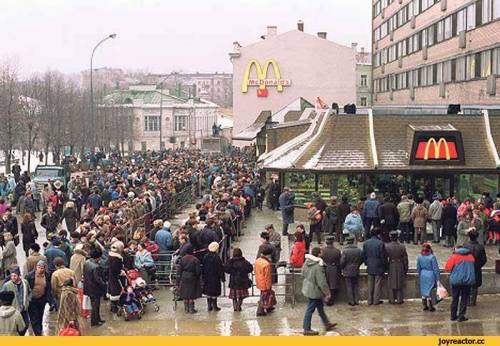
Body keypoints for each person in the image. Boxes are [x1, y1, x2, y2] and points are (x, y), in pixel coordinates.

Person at [301, 247, 337, 336]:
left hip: (308, 287)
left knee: (320, 307)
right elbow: (322, 282)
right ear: (318, 254)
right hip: (315, 290)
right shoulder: (318, 266)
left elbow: (303, 272)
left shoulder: (307, 262)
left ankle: (326, 323)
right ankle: (306, 328)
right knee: (310, 309)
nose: (323, 253)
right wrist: (327, 293)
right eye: (321, 252)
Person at [444, 245, 476, 322]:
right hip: (467, 281)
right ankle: (461, 316)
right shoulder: (471, 257)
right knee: (464, 299)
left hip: (456, 281)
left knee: (455, 298)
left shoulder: (454, 256)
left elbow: (447, 268)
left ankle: (453, 316)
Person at [1, 267, 30, 335]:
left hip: (24, 310)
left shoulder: (25, 283)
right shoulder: (7, 285)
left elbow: (29, 292)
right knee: (13, 327)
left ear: (19, 275)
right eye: (11, 276)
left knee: (25, 325)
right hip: (13, 310)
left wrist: (28, 301)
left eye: (15, 276)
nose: (13, 277)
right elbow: (2, 295)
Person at [26, 261, 52, 336]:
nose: (40, 269)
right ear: (36, 267)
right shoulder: (30, 276)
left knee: (40, 315)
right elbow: (26, 287)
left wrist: (49, 299)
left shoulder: (47, 276)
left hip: (42, 299)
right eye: (39, 267)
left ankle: (39, 330)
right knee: (34, 317)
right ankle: (38, 333)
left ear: (44, 268)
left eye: (42, 268)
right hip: (32, 300)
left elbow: (49, 288)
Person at [362, 227, 387, 305]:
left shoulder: (366, 243)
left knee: (370, 283)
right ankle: (376, 300)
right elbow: (383, 256)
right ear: (378, 234)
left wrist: (366, 263)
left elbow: (364, 255)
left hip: (370, 265)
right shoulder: (380, 243)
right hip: (378, 265)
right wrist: (384, 265)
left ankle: (369, 300)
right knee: (377, 283)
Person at [224, 247, 253, 312]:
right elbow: (250, 268)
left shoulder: (231, 261)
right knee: (241, 296)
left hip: (233, 282)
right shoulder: (244, 261)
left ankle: (235, 307)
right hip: (242, 281)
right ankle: (239, 306)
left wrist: (232, 271)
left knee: (234, 296)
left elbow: (226, 269)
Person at [83, 249, 106, 326]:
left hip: (88, 287)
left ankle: (98, 319)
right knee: (95, 306)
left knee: (94, 305)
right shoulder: (96, 267)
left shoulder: (86, 263)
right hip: (95, 289)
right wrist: (104, 284)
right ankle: (95, 321)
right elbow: (98, 279)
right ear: (97, 257)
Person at [385, 231, 409, 304]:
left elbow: (385, 258)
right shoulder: (402, 246)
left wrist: (386, 267)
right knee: (400, 282)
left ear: (390, 237)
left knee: (391, 283)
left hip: (391, 265)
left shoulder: (387, 246)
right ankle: (399, 299)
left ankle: (391, 299)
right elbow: (405, 259)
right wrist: (406, 268)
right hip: (400, 265)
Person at [464, 230, 487, 306]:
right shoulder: (480, 247)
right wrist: (478, 265)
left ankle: (467, 300)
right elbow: (484, 260)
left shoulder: (465, 246)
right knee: (475, 286)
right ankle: (473, 301)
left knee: (467, 285)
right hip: (476, 268)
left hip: (467, 268)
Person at [177, 246, 202, 314]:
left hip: (184, 277)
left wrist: (178, 279)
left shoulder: (182, 259)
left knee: (185, 293)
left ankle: (186, 309)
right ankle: (191, 309)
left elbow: (179, 270)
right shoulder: (195, 259)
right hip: (192, 277)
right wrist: (197, 277)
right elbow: (198, 271)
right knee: (191, 294)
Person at [340, 235, 364, 306]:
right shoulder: (358, 250)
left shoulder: (345, 251)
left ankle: (351, 301)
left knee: (349, 286)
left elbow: (342, 262)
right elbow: (361, 260)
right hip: (356, 269)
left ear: (347, 242)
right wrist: (357, 265)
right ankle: (356, 300)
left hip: (347, 270)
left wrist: (343, 267)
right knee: (356, 285)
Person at [416, 243, 440, 312]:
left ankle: (424, 305)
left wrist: (420, 274)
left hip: (423, 275)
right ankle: (431, 306)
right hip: (431, 275)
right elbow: (435, 269)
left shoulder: (419, 257)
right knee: (430, 291)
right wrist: (438, 278)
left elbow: (418, 268)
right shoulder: (432, 257)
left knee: (424, 290)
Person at [201, 242, 225, 311]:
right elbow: (220, 268)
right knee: (214, 292)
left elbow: (203, 267)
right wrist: (222, 277)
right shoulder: (217, 258)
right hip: (215, 277)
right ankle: (215, 306)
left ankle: (209, 306)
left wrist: (203, 277)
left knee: (208, 292)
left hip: (207, 277)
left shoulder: (206, 256)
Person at [255, 247, 275, 316]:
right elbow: (267, 276)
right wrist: (268, 285)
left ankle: (268, 307)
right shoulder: (266, 264)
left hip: (259, 280)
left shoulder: (258, 261)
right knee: (264, 297)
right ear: (268, 255)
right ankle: (260, 310)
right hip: (265, 283)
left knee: (263, 295)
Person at [321, 236, 341, 305]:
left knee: (326, 284)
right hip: (334, 268)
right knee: (333, 285)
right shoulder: (337, 251)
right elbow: (339, 262)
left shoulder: (322, 250)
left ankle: (326, 298)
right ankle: (331, 300)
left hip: (325, 268)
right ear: (333, 243)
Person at [108, 241, 124, 313]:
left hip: (111, 275)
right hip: (116, 277)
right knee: (116, 291)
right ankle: (114, 308)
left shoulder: (111, 255)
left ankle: (113, 307)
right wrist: (121, 272)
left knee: (112, 291)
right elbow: (116, 268)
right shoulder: (117, 258)